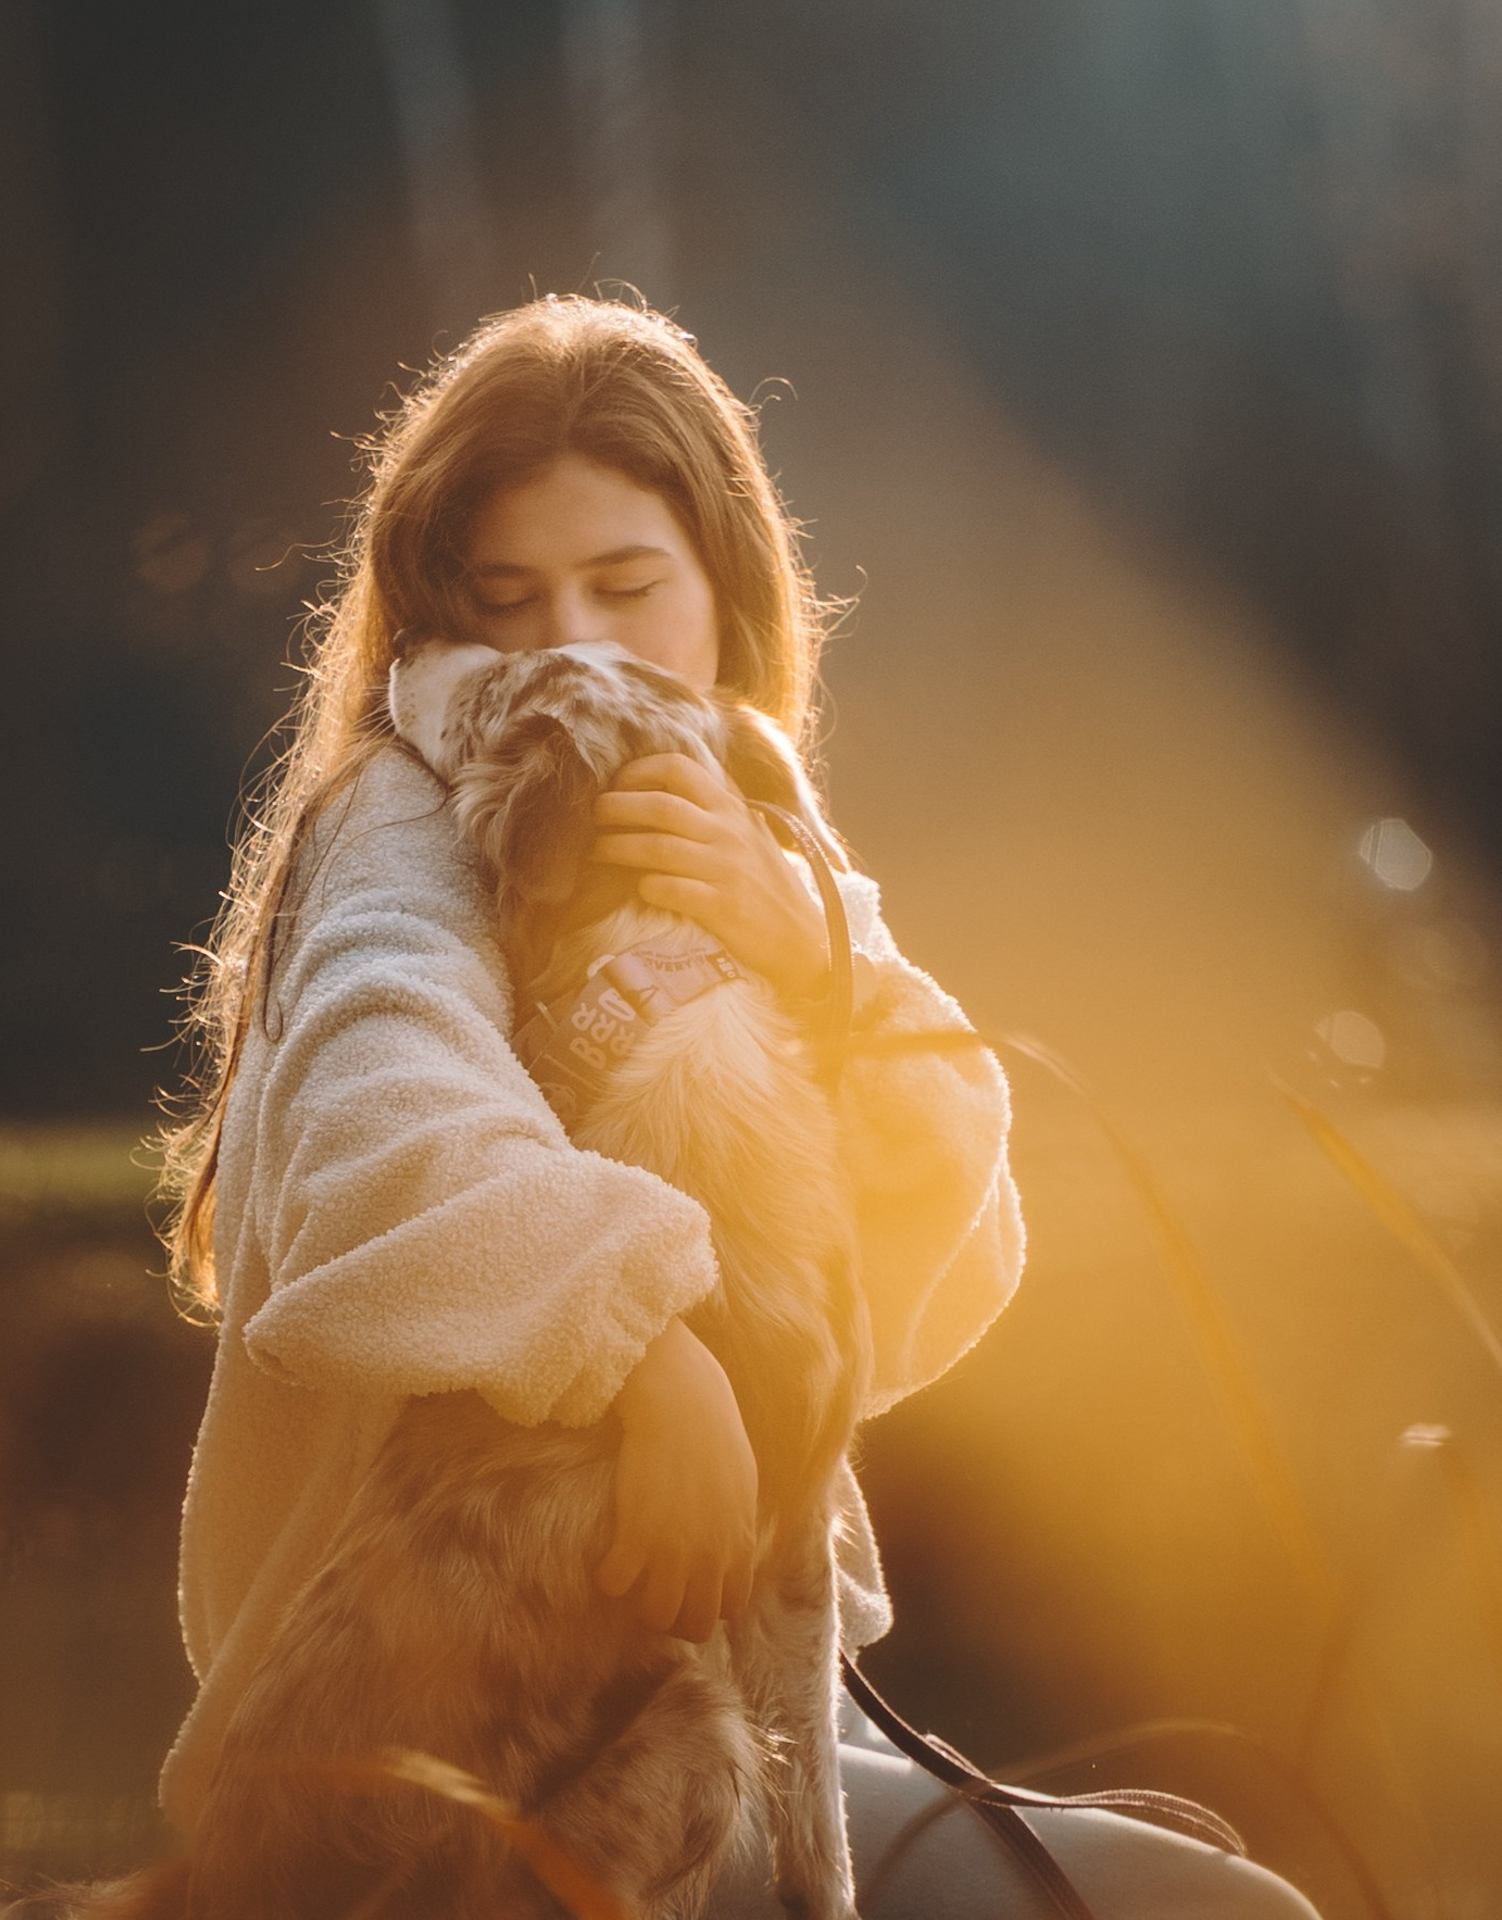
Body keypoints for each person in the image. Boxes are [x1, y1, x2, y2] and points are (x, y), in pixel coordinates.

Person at [152, 294, 1320, 1917]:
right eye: (508, 600)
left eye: (627, 586)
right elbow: (377, 1110)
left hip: (768, 1716)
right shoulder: (405, 822)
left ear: (729, 592)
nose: (569, 642)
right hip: (447, 1745)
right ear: (434, 623)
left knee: (1222, 1904)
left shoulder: (761, 829)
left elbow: (953, 1242)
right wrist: (642, 1341)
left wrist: (811, 953)